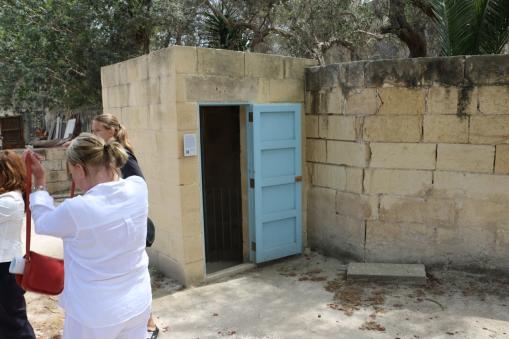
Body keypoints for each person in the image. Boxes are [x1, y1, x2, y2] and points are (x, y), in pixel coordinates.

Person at [24, 133, 151, 339]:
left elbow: (43, 222)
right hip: (138, 302)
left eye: (72, 172)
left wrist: (40, 181)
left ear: (79, 169)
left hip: (94, 314)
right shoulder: (138, 187)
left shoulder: (77, 209)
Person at [91, 114, 158, 339]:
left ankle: (149, 322)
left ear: (111, 130)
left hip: (129, 228)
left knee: (136, 274)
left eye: (97, 130)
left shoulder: (123, 155)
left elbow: (140, 187)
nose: (94, 135)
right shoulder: (109, 153)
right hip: (120, 227)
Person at [0, 150, 36, 339]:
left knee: (13, 319)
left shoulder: (8, 201)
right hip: (6, 263)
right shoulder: (11, 197)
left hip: (6, 266)